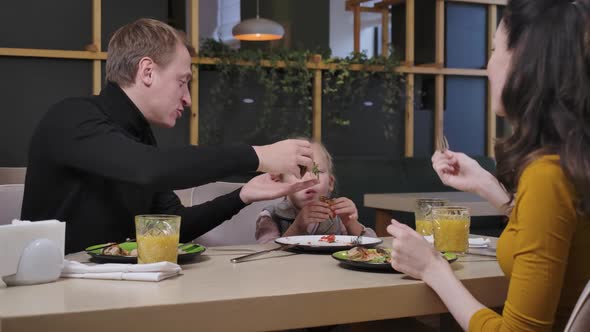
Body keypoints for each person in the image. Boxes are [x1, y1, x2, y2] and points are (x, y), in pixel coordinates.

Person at [21, 18, 318, 254]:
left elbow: (172, 227)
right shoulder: (72, 117)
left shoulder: (139, 138)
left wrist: (242, 195)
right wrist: (256, 155)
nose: (187, 99)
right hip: (56, 296)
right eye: (182, 81)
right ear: (147, 71)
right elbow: (149, 168)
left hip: (114, 290)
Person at [386, 0, 590, 330]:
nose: (487, 66)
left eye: (495, 49)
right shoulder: (570, 162)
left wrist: (432, 269)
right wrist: (485, 185)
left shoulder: (547, 175)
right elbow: (560, 230)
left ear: (526, 62)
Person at [255, 139, 375, 243]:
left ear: (330, 183)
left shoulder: (337, 216)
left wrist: (351, 223)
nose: (311, 177)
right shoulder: (270, 216)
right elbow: (266, 255)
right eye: (300, 170)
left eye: (319, 172)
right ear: (280, 182)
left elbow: (372, 246)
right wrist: (297, 227)